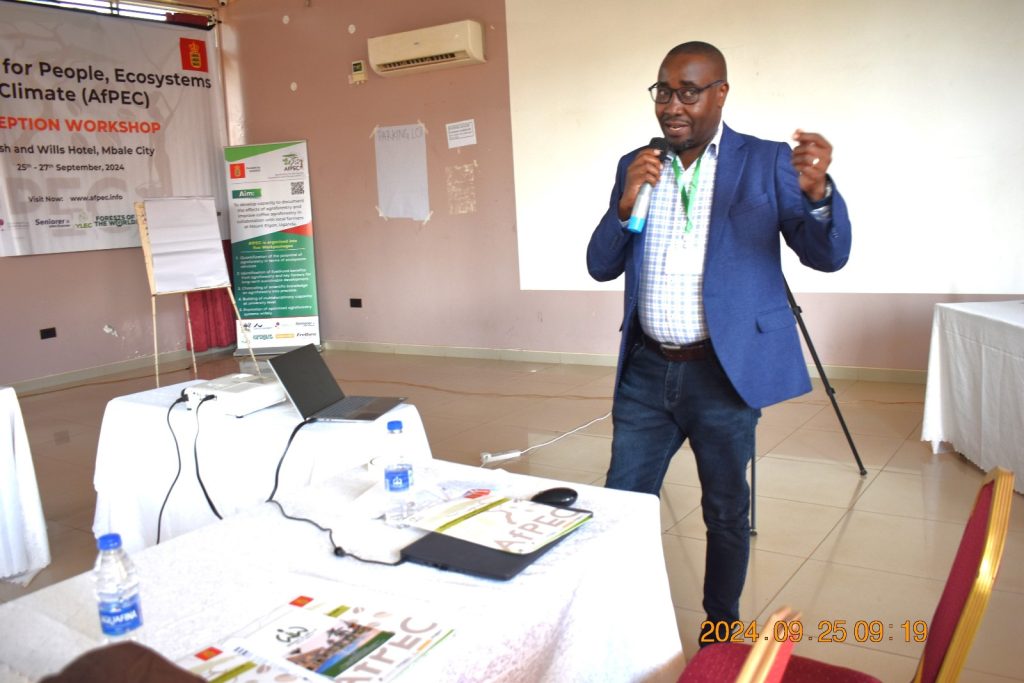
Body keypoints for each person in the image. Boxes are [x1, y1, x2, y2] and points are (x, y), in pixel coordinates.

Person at [586, 41, 851, 638]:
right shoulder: (638, 162)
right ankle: (613, 622)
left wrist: (817, 196)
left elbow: (826, 256)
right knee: (621, 505)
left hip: (725, 374)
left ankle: (722, 629)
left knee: (727, 512)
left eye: (688, 91)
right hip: (648, 372)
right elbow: (600, 265)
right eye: (663, 91)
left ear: (720, 93)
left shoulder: (766, 162)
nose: (672, 106)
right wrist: (627, 203)